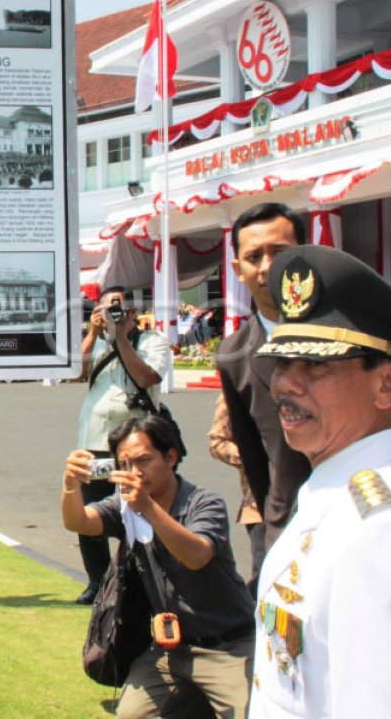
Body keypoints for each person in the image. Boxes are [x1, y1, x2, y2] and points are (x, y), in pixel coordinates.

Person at [250, 244, 391, 717]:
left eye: (316, 365)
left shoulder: (384, 530)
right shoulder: (336, 489)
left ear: (389, 383)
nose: (286, 384)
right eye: (284, 363)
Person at [62, 414, 256, 718]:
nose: (135, 472)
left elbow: (197, 556)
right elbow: (77, 521)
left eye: (144, 461)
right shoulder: (127, 506)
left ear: (171, 456)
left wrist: (147, 508)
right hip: (170, 649)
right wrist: (71, 485)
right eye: (125, 464)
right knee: (130, 716)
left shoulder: (204, 502)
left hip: (227, 646)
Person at [214, 203, 309, 580]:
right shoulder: (234, 355)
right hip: (286, 526)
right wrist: (274, 523)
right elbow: (255, 461)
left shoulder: (355, 332)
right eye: (254, 257)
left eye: (280, 252)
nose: (268, 266)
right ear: (238, 270)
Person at [74, 286, 171, 604]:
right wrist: (93, 332)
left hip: (137, 448)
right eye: (107, 309)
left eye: (119, 308)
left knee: (140, 513)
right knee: (90, 515)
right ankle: (97, 583)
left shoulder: (151, 341)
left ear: (132, 313)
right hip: (95, 442)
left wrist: (120, 338)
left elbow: (146, 378)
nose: (114, 314)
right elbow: (76, 373)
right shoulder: (97, 342)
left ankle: (144, 583)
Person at [207, 392, 264, 577]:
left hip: (308, 499)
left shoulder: (296, 386)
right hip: (258, 505)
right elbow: (218, 442)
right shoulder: (236, 390)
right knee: (265, 577)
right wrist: (253, 456)